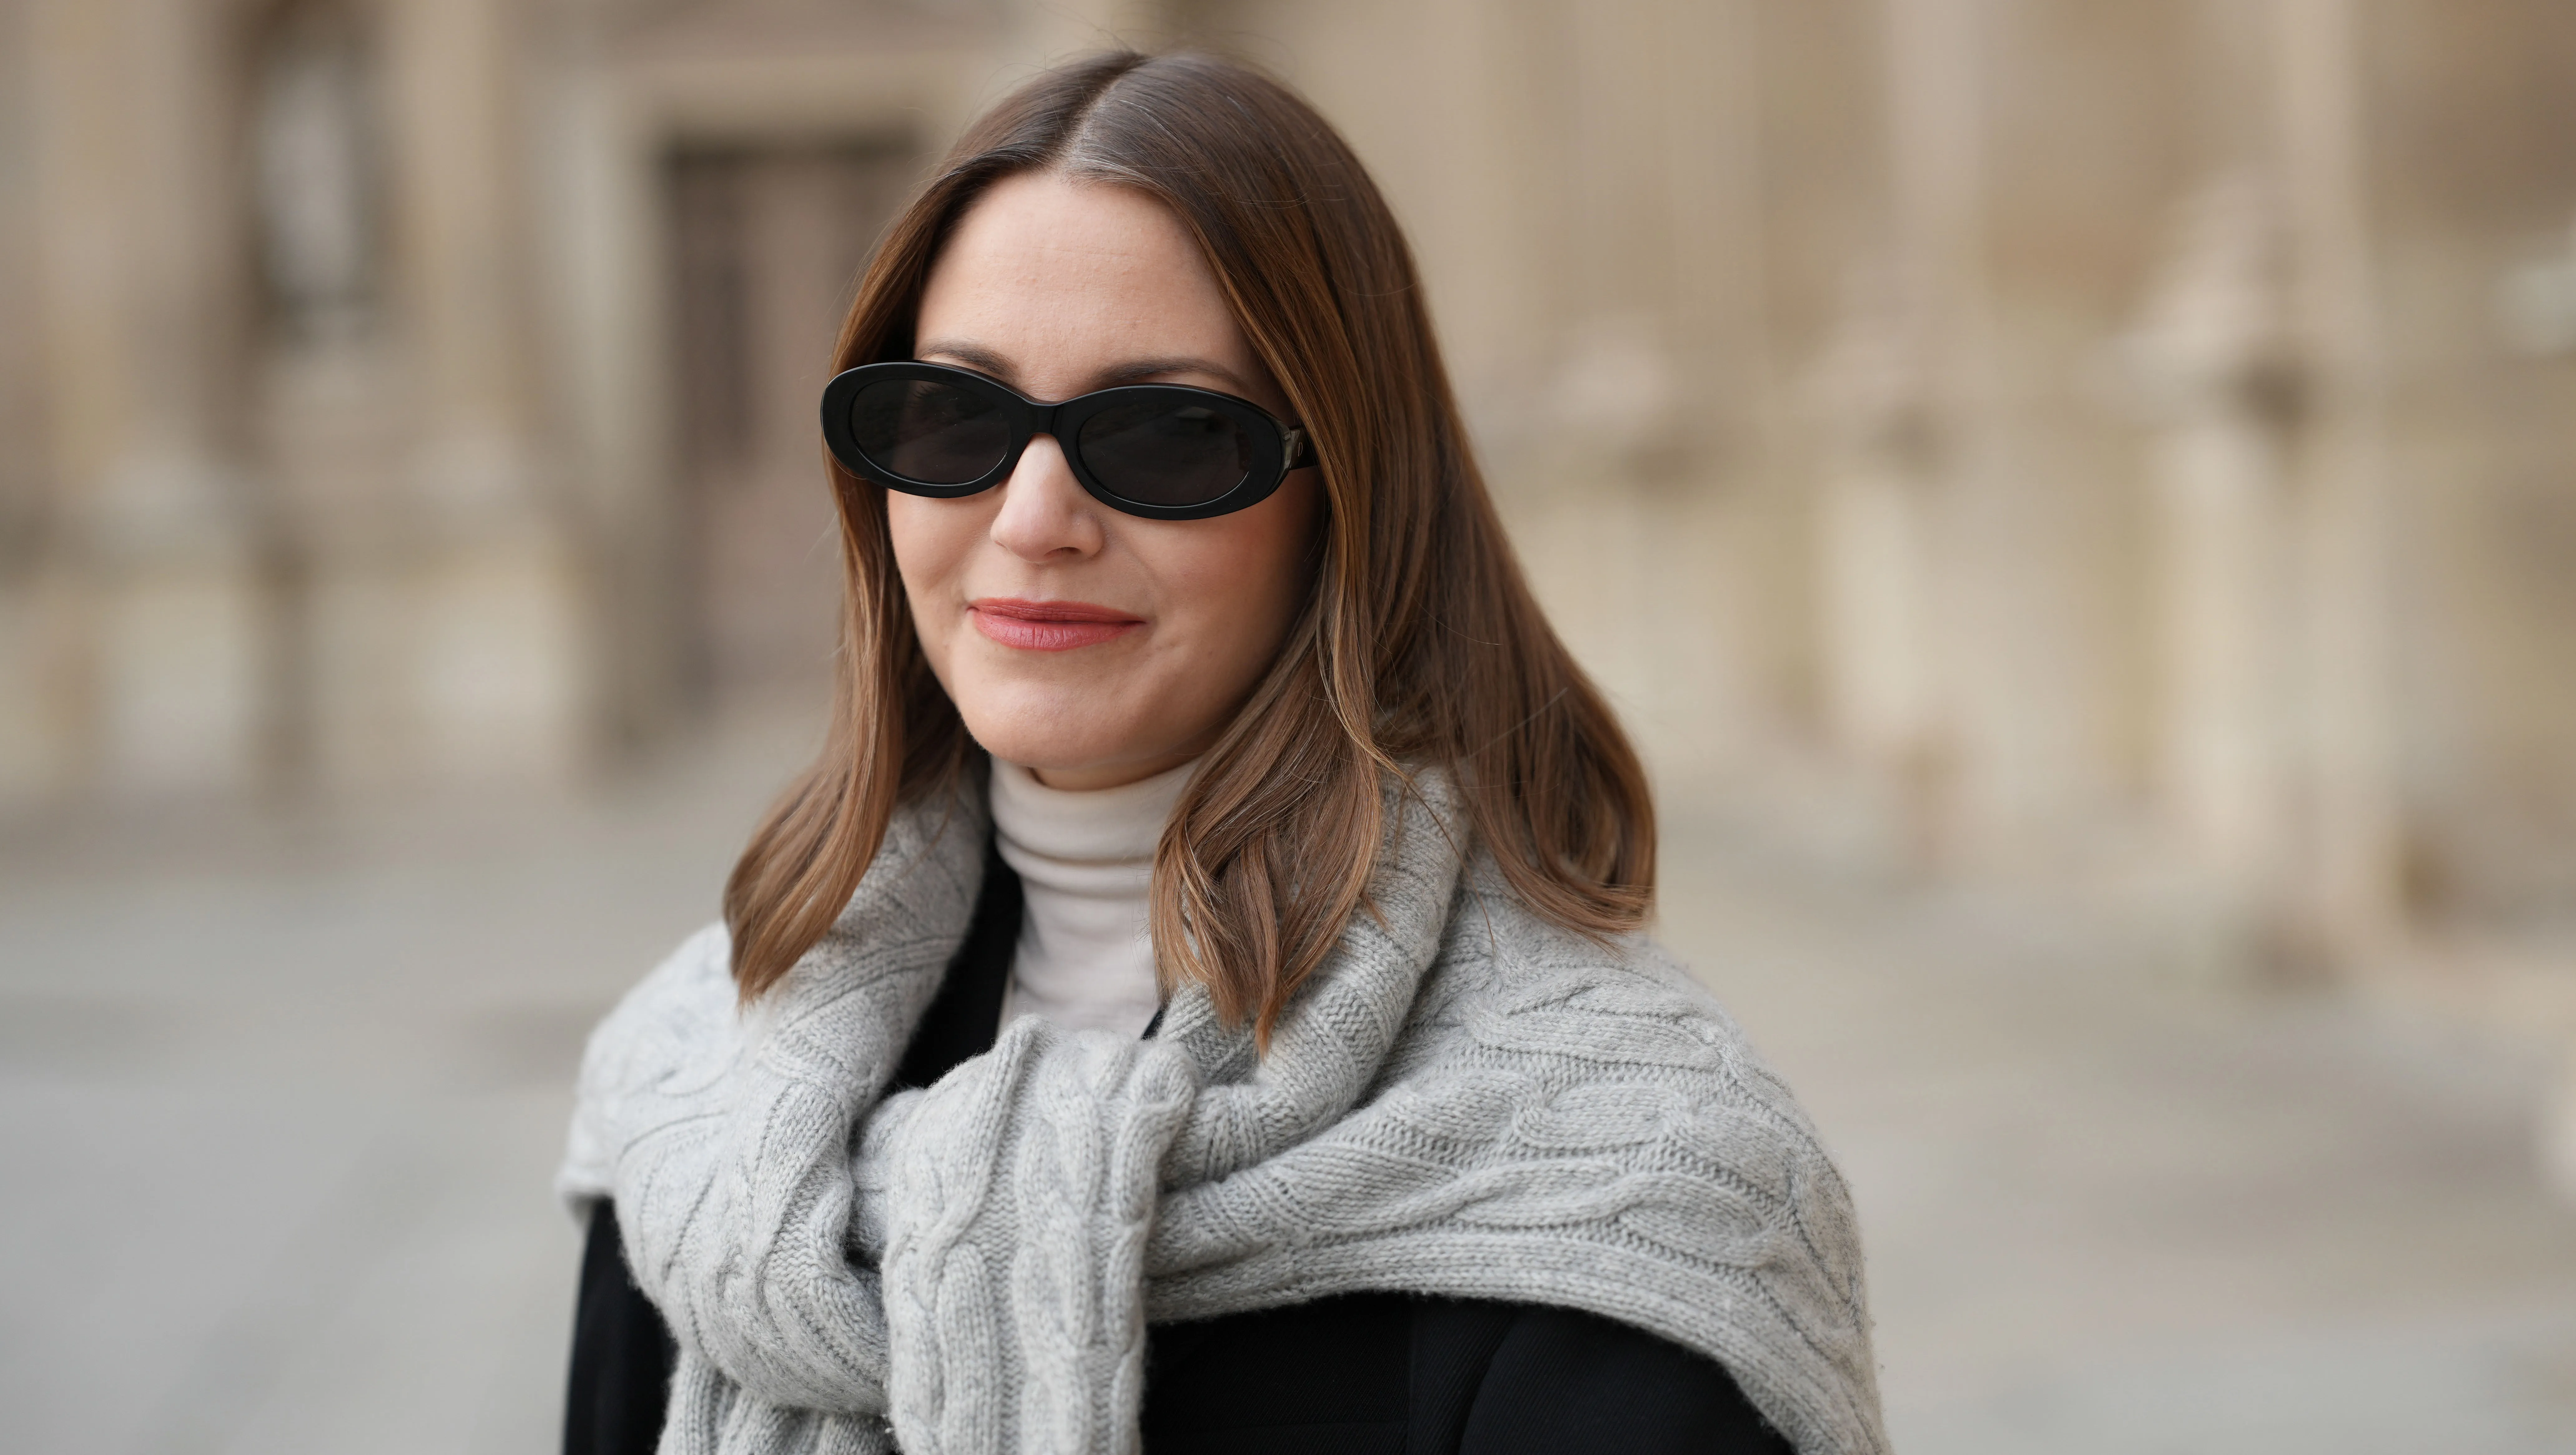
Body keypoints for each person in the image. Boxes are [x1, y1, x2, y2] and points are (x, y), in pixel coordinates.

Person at [559, 50, 1886, 1455]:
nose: (1032, 521)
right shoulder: (695, 1088)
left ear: (1348, 493)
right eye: (955, 417)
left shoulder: (1634, 1178)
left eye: (1169, 434)